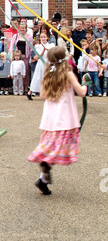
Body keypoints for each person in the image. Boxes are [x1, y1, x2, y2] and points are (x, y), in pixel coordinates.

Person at [28, 46, 89, 195]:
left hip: (50, 118)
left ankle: (43, 179)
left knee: (53, 144)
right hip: (64, 118)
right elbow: (81, 92)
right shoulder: (68, 74)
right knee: (58, 147)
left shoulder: (48, 74)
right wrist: (86, 84)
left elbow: (42, 96)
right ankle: (45, 167)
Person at [27, 32, 55, 100]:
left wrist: (48, 51)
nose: (43, 39)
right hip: (41, 63)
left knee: (48, 78)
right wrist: (43, 50)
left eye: (44, 37)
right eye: (41, 37)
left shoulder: (51, 45)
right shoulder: (38, 46)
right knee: (37, 78)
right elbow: (38, 56)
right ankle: (30, 92)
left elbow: (52, 54)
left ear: (47, 38)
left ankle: (48, 93)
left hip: (48, 62)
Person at [9, 23, 33, 94]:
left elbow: (31, 48)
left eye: (23, 28)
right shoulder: (15, 36)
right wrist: (12, 55)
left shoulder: (29, 37)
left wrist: (30, 57)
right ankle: (17, 89)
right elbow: (11, 46)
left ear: (26, 29)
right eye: (21, 28)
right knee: (16, 73)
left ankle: (25, 88)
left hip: (26, 56)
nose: (22, 29)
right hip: (17, 56)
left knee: (25, 72)